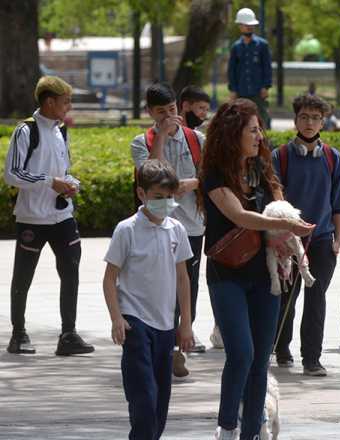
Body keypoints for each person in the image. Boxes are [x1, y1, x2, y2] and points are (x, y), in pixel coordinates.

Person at [201, 98, 314, 439]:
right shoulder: (214, 174)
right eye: (252, 130)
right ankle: (227, 427)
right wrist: (284, 226)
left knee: (261, 358)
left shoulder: (262, 168)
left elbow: (280, 206)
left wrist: (288, 233)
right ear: (232, 133)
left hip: (266, 275)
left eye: (259, 130)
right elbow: (239, 216)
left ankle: (253, 430)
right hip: (227, 272)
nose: (259, 136)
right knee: (241, 353)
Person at [102, 159, 195, 439]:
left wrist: (186, 324)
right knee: (143, 396)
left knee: (160, 402)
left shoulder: (176, 229)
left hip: (166, 325)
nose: (164, 203)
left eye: (169, 197)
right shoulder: (127, 229)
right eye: (157, 197)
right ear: (141, 193)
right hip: (135, 322)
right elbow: (109, 278)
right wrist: (117, 318)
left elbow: (183, 279)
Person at [4, 75, 94, 356]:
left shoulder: (60, 131)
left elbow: (63, 171)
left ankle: (68, 334)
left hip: (62, 216)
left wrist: (71, 183)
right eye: (66, 102)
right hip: (32, 218)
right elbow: (12, 174)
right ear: (50, 102)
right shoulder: (25, 131)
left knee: (71, 272)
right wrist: (50, 182)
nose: (69, 107)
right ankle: (19, 334)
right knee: (23, 277)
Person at [131, 82, 207, 377]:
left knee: (188, 287)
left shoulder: (197, 139)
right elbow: (152, 176)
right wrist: (161, 137)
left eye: (172, 109)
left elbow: (212, 176)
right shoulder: (142, 141)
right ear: (150, 112)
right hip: (157, 227)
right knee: (157, 288)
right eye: (161, 112)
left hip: (192, 226)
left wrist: (193, 183)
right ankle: (160, 348)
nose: (168, 116)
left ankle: (180, 345)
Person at [271, 94, 340, 375]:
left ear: (323, 122)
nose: (309, 123)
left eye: (316, 118)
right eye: (304, 117)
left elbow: (339, 201)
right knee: (286, 298)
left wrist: (338, 238)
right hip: (289, 239)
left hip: (322, 238)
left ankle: (312, 359)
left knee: (316, 299)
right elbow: (275, 198)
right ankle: (281, 348)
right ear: (295, 120)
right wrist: (282, 235)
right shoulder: (280, 156)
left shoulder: (331, 157)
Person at [228, 7, 273, 129]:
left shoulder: (262, 45)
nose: (249, 27)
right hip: (241, 90)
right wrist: (233, 89)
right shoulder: (236, 47)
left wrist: (266, 86)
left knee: (261, 118)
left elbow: (267, 67)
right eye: (246, 25)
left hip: (258, 90)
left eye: (251, 25)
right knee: (241, 120)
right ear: (240, 26)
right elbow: (232, 70)